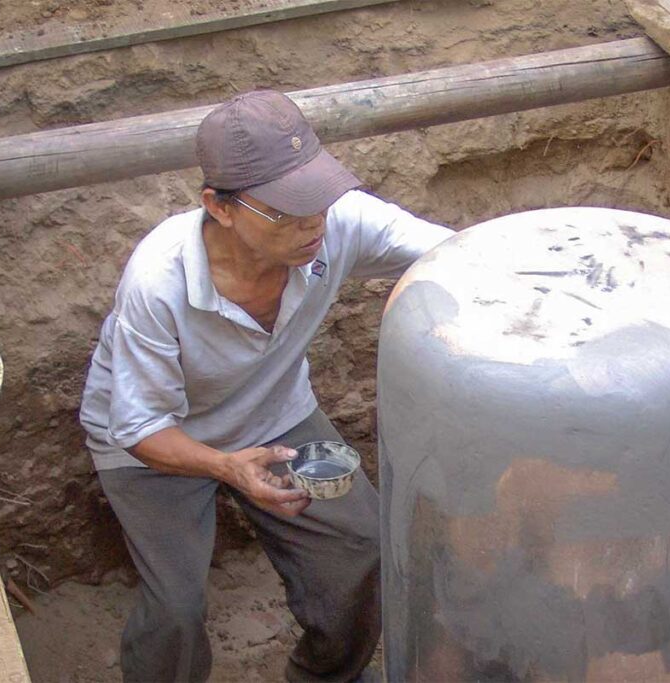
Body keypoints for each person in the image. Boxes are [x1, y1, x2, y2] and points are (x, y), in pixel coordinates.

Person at [79, 90, 454, 683]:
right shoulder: (159, 282)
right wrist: (228, 469)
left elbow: (461, 255)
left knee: (362, 549)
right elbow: (139, 427)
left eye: (320, 200)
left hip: (273, 416)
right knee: (175, 609)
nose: (314, 225)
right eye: (287, 210)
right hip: (154, 443)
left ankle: (325, 676)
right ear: (220, 207)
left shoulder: (335, 225)